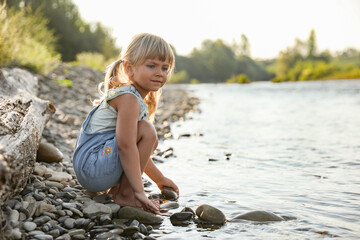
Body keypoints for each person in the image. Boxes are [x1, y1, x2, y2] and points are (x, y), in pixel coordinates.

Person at [73, 33, 179, 215]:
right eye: (151, 65)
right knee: (147, 131)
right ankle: (125, 194)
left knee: (148, 136)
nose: (159, 73)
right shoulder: (128, 98)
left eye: (165, 68)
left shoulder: (132, 98)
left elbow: (135, 151)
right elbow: (126, 147)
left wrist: (159, 179)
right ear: (129, 68)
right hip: (92, 167)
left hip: (94, 167)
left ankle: (120, 190)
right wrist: (139, 192)